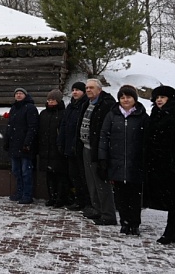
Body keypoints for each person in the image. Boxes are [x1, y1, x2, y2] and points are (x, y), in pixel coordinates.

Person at [145, 85, 175, 245]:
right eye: (157, 97)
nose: (159, 100)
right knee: (169, 199)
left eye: (163, 97)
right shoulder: (156, 114)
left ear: (170, 99)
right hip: (159, 165)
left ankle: (171, 231)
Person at [99, 85, 148, 236]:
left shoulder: (142, 116)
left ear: (135, 99)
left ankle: (134, 223)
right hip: (116, 162)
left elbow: (147, 140)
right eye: (122, 97)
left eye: (128, 97)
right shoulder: (112, 115)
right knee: (120, 195)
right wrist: (103, 158)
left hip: (135, 163)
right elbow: (104, 136)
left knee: (135, 196)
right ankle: (124, 222)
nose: (125, 100)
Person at [80, 79, 118, 225]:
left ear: (99, 90)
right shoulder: (87, 103)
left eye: (91, 88)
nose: (88, 90)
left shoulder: (106, 104)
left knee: (102, 183)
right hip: (86, 148)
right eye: (87, 88)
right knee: (92, 183)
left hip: (98, 150)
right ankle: (97, 209)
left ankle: (108, 214)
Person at [59, 81, 91, 212]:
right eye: (73, 90)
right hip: (69, 148)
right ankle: (79, 200)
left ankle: (87, 202)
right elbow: (64, 125)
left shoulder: (85, 105)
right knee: (74, 176)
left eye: (78, 90)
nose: (75, 92)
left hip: (80, 148)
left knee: (84, 177)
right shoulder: (70, 106)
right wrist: (61, 142)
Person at [3, 87, 39, 204]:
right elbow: (10, 127)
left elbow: (32, 127)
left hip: (25, 146)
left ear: (25, 95)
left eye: (21, 93)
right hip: (14, 145)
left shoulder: (30, 108)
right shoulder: (14, 108)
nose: (18, 95)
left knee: (26, 172)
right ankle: (19, 192)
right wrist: (7, 141)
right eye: (17, 93)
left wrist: (27, 143)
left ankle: (27, 195)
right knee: (16, 171)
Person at [37, 89, 68, 207]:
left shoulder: (63, 113)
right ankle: (52, 197)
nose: (50, 102)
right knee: (49, 176)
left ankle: (60, 198)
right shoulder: (44, 114)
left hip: (58, 150)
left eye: (53, 100)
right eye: (49, 100)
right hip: (46, 149)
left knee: (60, 176)